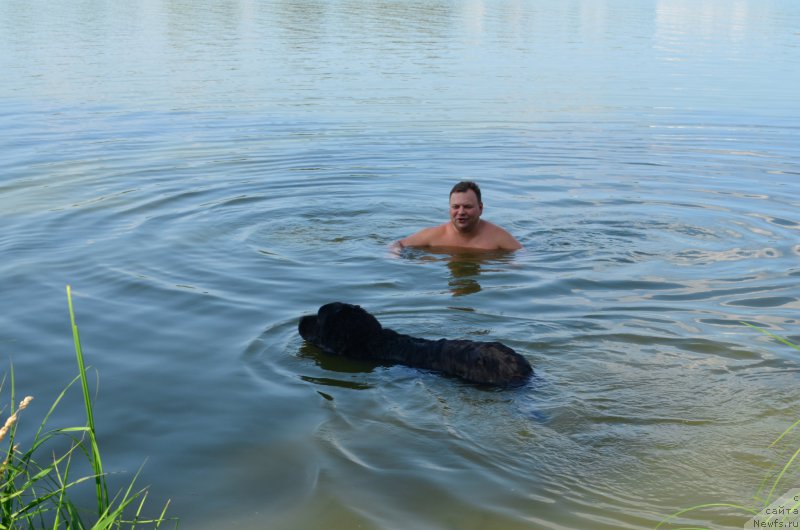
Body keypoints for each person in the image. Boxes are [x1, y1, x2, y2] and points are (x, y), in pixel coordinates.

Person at [396, 181, 522, 251]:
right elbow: (398, 245)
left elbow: (523, 258)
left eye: (467, 206)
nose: (461, 212)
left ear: (480, 208)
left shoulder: (498, 237)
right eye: (455, 207)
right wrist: (395, 257)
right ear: (450, 209)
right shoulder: (433, 235)